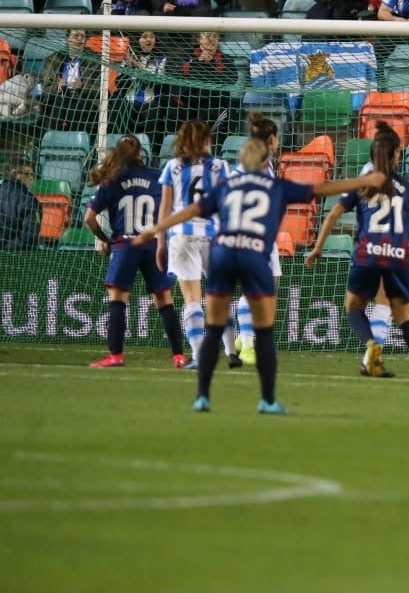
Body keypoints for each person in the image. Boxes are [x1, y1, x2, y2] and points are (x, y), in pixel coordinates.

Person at [133, 137, 385, 414]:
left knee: (214, 327)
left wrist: (153, 230)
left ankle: (202, 396)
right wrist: (362, 181)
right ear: (266, 162)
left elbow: (191, 210)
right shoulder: (276, 186)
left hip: (224, 255)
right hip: (255, 256)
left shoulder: (226, 185)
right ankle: (267, 399)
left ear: (240, 162)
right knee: (263, 332)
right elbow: (322, 188)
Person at [306, 123, 409, 383]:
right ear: (395, 155)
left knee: (354, 307)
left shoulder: (363, 182)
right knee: (405, 316)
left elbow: (334, 213)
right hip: (398, 255)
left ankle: (371, 346)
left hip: (368, 252)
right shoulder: (404, 186)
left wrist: (318, 247)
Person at [84, 134, 189, 369]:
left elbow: (89, 219)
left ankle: (116, 356)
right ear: (141, 154)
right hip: (152, 244)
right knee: (164, 300)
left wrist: (106, 240)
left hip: (124, 245)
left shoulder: (111, 180)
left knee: (118, 299)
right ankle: (178, 356)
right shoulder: (156, 177)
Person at [157, 118, 236, 368]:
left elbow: (165, 208)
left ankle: (201, 356)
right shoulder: (221, 166)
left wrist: (160, 241)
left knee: (192, 298)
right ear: (207, 140)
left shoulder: (172, 167)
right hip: (213, 236)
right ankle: (231, 351)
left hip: (182, 236)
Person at [231, 112, 285, 366]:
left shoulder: (269, 165)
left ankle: (244, 336)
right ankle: (248, 346)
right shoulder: (250, 166)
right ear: (272, 139)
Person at [168, 31, 234, 135]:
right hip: (188, 102)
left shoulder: (226, 59)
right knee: (172, 110)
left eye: (215, 36)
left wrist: (212, 63)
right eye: (207, 35)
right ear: (199, 39)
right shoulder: (185, 56)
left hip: (213, 103)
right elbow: (176, 77)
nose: (211, 39)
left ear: (218, 40)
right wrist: (197, 64)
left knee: (206, 112)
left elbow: (232, 79)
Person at [37, 28, 101, 132]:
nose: (80, 39)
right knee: (60, 100)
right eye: (76, 36)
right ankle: (50, 140)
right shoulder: (53, 59)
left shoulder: (95, 60)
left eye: (83, 36)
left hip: (84, 100)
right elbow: (45, 89)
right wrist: (58, 87)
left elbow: (100, 90)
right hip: (60, 98)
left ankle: (49, 140)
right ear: (67, 39)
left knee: (74, 106)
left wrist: (82, 86)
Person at [119, 30, 169, 145]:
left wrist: (138, 66)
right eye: (144, 37)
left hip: (150, 101)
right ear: (138, 40)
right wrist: (128, 67)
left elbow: (156, 83)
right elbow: (120, 85)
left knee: (154, 112)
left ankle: (150, 151)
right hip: (129, 101)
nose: (148, 39)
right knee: (117, 109)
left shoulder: (161, 60)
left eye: (152, 37)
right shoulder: (127, 59)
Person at [0, 160, 40, 249]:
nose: (31, 178)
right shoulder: (29, 201)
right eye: (26, 174)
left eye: (32, 174)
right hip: (17, 256)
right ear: (14, 174)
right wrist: (6, 250)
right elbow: (29, 235)